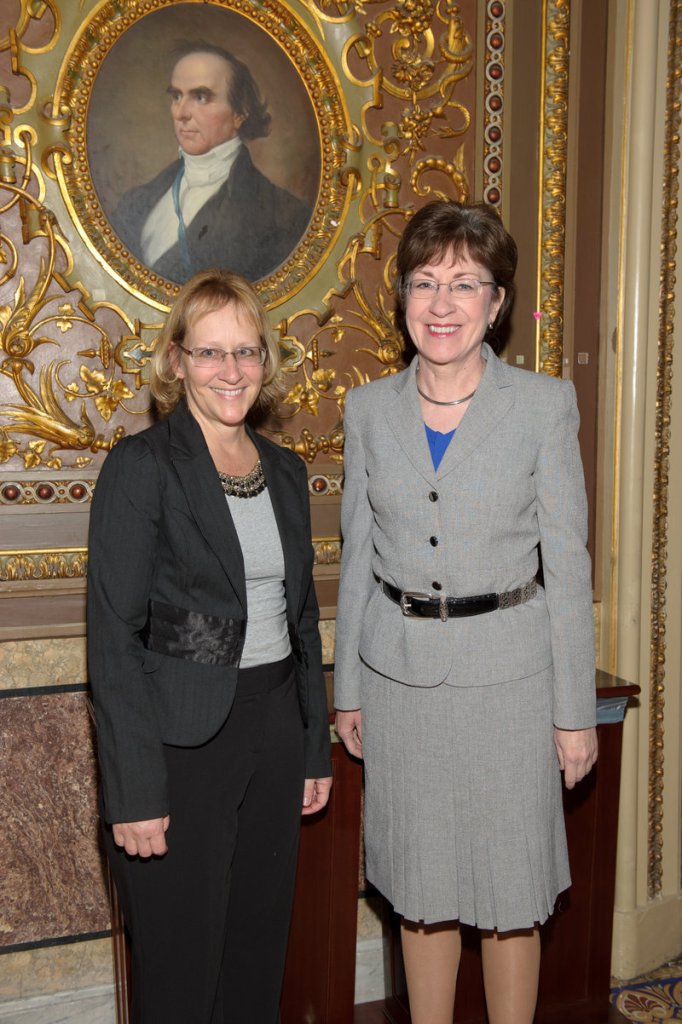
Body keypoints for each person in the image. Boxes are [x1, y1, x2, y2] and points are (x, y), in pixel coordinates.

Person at [334, 200, 598, 1024]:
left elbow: (568, 561)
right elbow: (354, 556)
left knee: (510, 889)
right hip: (399, 683)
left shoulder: (544, 405)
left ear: (497, 302)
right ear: (403, 296)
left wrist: (572, 713)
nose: (441, 304)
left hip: (511, 684)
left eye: (463, 284)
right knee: (420, 885)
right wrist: (348, 690)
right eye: (424, 282)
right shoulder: (368, 410)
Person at [88, 268, 332, 1024]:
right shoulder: (142, 469)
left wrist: (313, 745)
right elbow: (114, 637)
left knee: (257, 952)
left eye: (247, 352)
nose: (231, 370)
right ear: (176, 362)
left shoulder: (287, 472)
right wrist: (133, 792)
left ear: (266, 363)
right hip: (180, 742)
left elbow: (301, 618)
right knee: (180, 967)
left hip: (273, 734)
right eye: (210, 352)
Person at [112, 43, 312, 283]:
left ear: (240, 113)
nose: (181, 113)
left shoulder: (283, 217)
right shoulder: (136, 202)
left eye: (200, 97)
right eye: (176, 96)